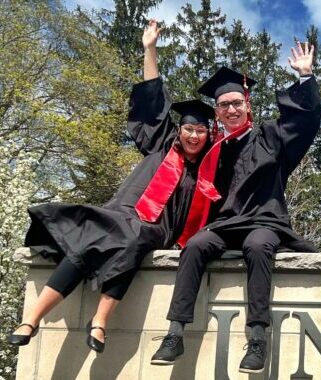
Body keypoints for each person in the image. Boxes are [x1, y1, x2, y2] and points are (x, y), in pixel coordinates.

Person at [6, 20, 216, 353]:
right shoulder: (162, 144)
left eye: (201, 131)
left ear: (208, 135)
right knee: (89, 241)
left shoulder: (206, 171)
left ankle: (100, 320)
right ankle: (31, 318)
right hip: (123, 210)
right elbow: (153, 101)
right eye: (189, 129)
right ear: (180, 131)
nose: (193, 135)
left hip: (153, 228)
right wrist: (150, 49)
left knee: (133, 239)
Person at [150, 42, 321, 373]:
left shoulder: (270, 136)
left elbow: (304, 123)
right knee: (196, 245)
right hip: (227, 225)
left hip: (264, 221)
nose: (231, 110)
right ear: (217, 111)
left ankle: (257, 338)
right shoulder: (214, 150)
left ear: (247, 104)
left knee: (257, 246)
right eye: (224, 105)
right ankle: (175, 333)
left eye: (236, 103)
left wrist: (305, 77)